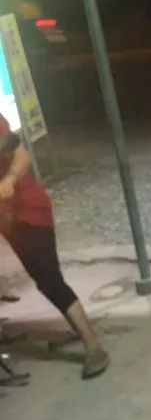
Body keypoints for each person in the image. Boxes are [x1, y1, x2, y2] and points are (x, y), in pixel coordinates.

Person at [0, 115, 109, 378]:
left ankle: (95, 349)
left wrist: (9, 180)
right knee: (46, 278)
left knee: (49, 280)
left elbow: (21, 154)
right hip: (8, 219)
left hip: (28, 214)